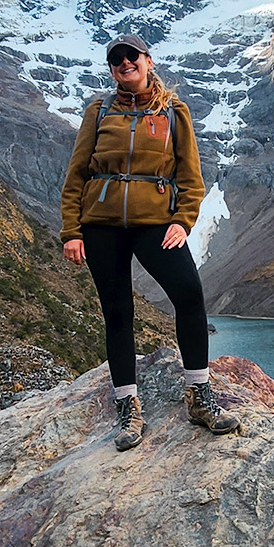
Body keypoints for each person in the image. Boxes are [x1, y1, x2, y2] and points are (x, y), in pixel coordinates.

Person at [60, 33, 239, 450]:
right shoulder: (99, 111)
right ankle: (128, 408)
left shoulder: (174, 112)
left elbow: (190, 177)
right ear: (111, 68)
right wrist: (72, 231)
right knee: (118, 312)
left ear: (148, 60)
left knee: (189, 296)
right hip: (101, 225)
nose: (125, 63)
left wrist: (184, 220)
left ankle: (199, 396)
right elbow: (77, 176)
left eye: (132, 56)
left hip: (155, 222)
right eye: (116, 59)